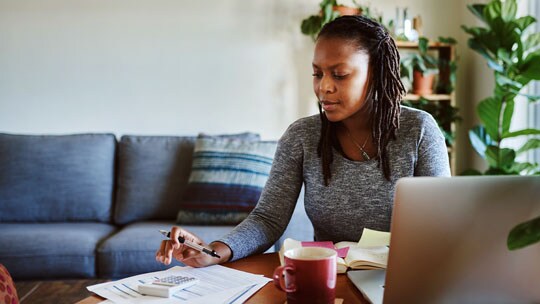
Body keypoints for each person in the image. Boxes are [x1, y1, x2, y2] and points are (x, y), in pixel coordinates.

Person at [155, 15, 450, 267]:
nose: (324, 86)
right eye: (317, 73)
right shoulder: (302, 136)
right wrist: (212, 252)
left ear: (376, 74)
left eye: (340, 74)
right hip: (331, 278)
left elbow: (441, 226)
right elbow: (268, 219)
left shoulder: (419, 130)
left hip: (405, 278)